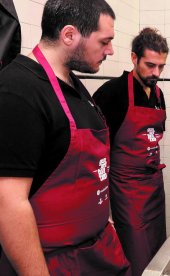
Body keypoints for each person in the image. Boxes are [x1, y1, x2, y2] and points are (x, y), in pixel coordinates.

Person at [0, 0, 131, 275]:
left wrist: (103, 218)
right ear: (69, 35)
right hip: (55, 261)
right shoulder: (18, 91)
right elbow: (8, 204)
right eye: (104, 41)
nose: (110, 50)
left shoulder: (74, 85)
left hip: (95, 252)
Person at [93, 27, 169, 275]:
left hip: (154, 187)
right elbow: (95, 152)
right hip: (126, 191)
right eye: (150, 65)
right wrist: (102, 207)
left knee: (158, 250)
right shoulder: (112, 93)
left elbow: (155, 138)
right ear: (134, 58)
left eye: (161, 66)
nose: (156, 73)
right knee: (135, 255)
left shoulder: (158, 95)